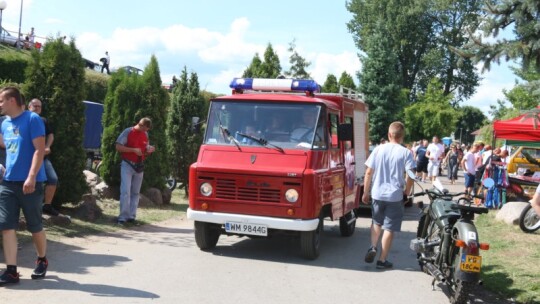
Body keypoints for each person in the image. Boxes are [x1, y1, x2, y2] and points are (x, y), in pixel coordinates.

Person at [0, 87, 48, 286]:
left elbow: (39, 150)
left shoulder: (32, 119)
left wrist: (31, 176)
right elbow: (7, 147)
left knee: (34, 225)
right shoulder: (4, 123)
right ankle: (11, 271)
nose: (0, 105)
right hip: (8, 183)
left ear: (12, 100)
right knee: (6, 226)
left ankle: (42, 259)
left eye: (1, 101)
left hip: (30, 182)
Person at [362, 121, 415, 269]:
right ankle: (382, 259)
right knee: (389, 227)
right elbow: (410, 175)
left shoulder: (378, 150)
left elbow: (368, 172)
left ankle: (373, 246)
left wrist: (366, 192)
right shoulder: (405, 152)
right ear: (402, 136)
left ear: (389, 134)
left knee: (376, 222)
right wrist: (407, 192)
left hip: (377, 194)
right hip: (395, 195)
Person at [115, 117, 155, 225]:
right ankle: (122, 218)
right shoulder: (128, 132)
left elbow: (145, 150)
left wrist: (149, 149)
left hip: (139, 166)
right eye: (144, 129)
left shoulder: (145, 134)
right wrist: (132, 150)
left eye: (147, 130)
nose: (145, 132)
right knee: (125, 192)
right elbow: (118, 146)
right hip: (127, 165)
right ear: (140, 125)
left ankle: (131, 217)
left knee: (136, 193)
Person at [28, 99, 60, 216]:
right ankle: (29, 209)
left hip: (43, 157)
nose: (37, 108)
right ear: (29, 106)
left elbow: (50, 135)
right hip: (29, 158)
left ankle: (47, 206)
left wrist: (47, 147)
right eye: (34, 106)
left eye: (39, 107)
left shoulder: (43, 120)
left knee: (53, 179)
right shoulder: (25, 120)